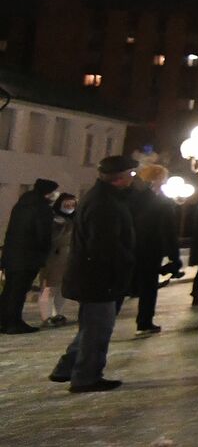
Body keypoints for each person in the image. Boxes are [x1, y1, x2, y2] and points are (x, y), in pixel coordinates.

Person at [49, 156, 137, 393]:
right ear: (120, 178)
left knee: (91, 326)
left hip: (92, 275)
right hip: (99, 278)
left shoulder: (101, 198)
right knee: (98, 329)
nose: (132, 179)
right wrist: (121, 269)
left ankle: (67, 368)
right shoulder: (104, 204)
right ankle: (86, 377)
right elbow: (105, 246)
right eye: (131, 174)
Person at [1, 177, 59, 334]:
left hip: (12, 255)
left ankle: (4, 321)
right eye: (53, 192)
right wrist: (44, 252)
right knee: (18, 292)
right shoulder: (41, 208)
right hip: (28, 257)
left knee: (9, 290)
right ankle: (13, 323)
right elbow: (42, 235)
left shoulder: (22, 205)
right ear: (47, 193)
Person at [129, 164, 181, 335]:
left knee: (129, 285)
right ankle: (144, 322)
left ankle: (142, 321)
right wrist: (174, 255)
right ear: (157, 178)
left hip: (133, 247)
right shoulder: (160, 201)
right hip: (151, 248)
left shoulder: (134, 196)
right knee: (148, 287)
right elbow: (169, 230)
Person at [38, 193, 78, 327]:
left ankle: (57, 314)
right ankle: (47, 316)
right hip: (54, 258)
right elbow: (51, 239)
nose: (70, 207)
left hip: (69, 258)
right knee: (49, 288)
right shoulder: (54, 220)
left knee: (63, 289)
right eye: (67, 205)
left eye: (72, 205)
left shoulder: (74, 219)